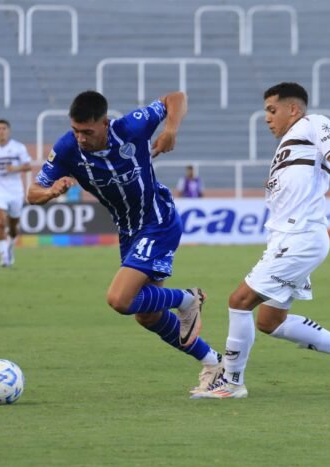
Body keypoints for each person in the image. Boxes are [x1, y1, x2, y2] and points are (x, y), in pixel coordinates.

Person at [27, 90, 223, 394]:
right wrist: (52, 191)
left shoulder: (131, 127)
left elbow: (177, 97)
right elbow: (32, 193)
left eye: (87, 131)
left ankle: (188, 299)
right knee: (147, 315)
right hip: (129, 232)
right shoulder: (68, 148)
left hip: (158, 220)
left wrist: (170, 129)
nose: (80, 137)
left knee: (119, 300)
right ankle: (214, 364)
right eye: (76, 130)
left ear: (105, 123)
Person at [192, 82, 330, 399]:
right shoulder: (287, 146)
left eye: (272, 110)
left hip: (300, 237)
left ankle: (231, 382)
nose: (267, 118)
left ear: (293, 109)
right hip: (285, 239)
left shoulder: (313, 123)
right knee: (270, 321)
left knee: (239, 301)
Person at [0, 119, 32, 267]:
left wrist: (15, 169)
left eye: (4, 128)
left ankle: (10, 246)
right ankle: (3, 256)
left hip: (15, 190)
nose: (1, 131)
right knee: (1, 222)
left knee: (14, 225)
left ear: (8, 131)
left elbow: (28, 166)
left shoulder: (18, 148)